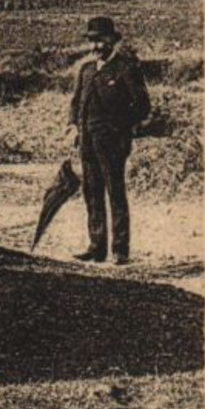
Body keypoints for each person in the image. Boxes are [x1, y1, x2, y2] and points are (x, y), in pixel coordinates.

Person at [66, 16, 150, 265]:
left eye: (100, 41)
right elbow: (76, 102)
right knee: (92, 192)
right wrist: (72, 126)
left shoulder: (126, 68)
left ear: (112, 41)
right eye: (92, 42)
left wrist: (120, 129)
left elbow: (142, 106)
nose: (95, 47)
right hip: (87, 141)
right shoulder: (87, 70)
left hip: (113, 143)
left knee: (115, 192)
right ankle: (96, 246)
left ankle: (120, 250)